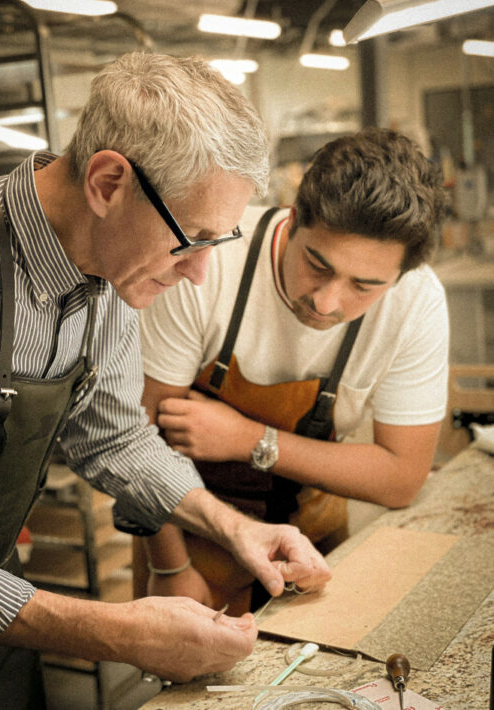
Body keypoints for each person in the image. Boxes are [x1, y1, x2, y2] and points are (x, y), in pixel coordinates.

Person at [0, 52, 331, 709]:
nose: (199, 274)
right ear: (110, 182)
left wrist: (232, 527)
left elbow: (115, 439)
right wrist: (118, 632)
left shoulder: (111, 265)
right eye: (191, 239)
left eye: (217, 242)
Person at [135, 127, 450, 615]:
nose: (327, 302)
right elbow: (139, 439)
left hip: (315, 549)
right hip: (188, 547)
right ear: (294, 216)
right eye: (317, 265)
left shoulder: (417, 302)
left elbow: (401, 477)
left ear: (401, 275)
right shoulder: (208, 265)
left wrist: (251, 439)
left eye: (364, 286)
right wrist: (169, 567)